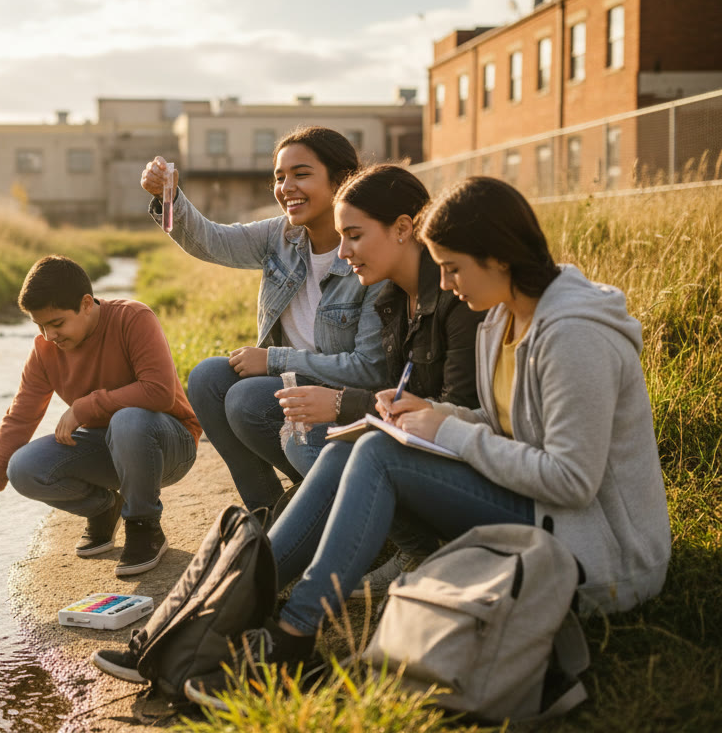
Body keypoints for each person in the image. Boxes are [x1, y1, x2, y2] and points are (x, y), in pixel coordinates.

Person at [176, 176, 672, 711]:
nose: (449, 283)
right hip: (541, 513)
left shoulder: (575, 336)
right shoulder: (503, 317)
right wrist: (433, 413)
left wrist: (448, 429)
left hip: (600, 554)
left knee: (379, 453)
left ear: (499, 257)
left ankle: (290, 634)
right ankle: (222, 610)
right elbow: (507, 421)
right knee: (356, 443)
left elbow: (573, 481)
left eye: (454, 267)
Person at [138, 127, 390, 512]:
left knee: (245, 399)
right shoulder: (281, 235)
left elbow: (369, 370)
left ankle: (318, 499)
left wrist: (273, 360)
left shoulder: (366, 253)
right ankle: (267, 508)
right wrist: (168, 197)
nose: (286, 186)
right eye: (279, 176)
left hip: (341, 393)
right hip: (290, 380)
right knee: (207, 378)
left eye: (301, 174)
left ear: (342, 180)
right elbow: (211, 240)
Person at [274, 164, 487, 597]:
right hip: (416, 450)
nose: (343, 252)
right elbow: (401, 394)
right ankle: (247, 585)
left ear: (403, 228)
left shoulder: (459, 296)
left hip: (472, 463)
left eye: (354, 236)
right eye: (341, 238)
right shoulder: (390, 299)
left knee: (347, 451)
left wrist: (342, 405)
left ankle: (251, 592)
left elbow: (454, 409)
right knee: (308, 434)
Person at [0, 255, 201, 577]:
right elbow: (18, 420)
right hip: (109, 447)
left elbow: (158, 391)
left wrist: (84, 407)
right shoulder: (45, 351)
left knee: (127, 420)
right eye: (40, 326)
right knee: (24, 467)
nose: (49, 336)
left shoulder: (133, 318)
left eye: (56, 323)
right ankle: (103, 508)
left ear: (87, 304)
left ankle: (145, 527)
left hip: (168, 444)